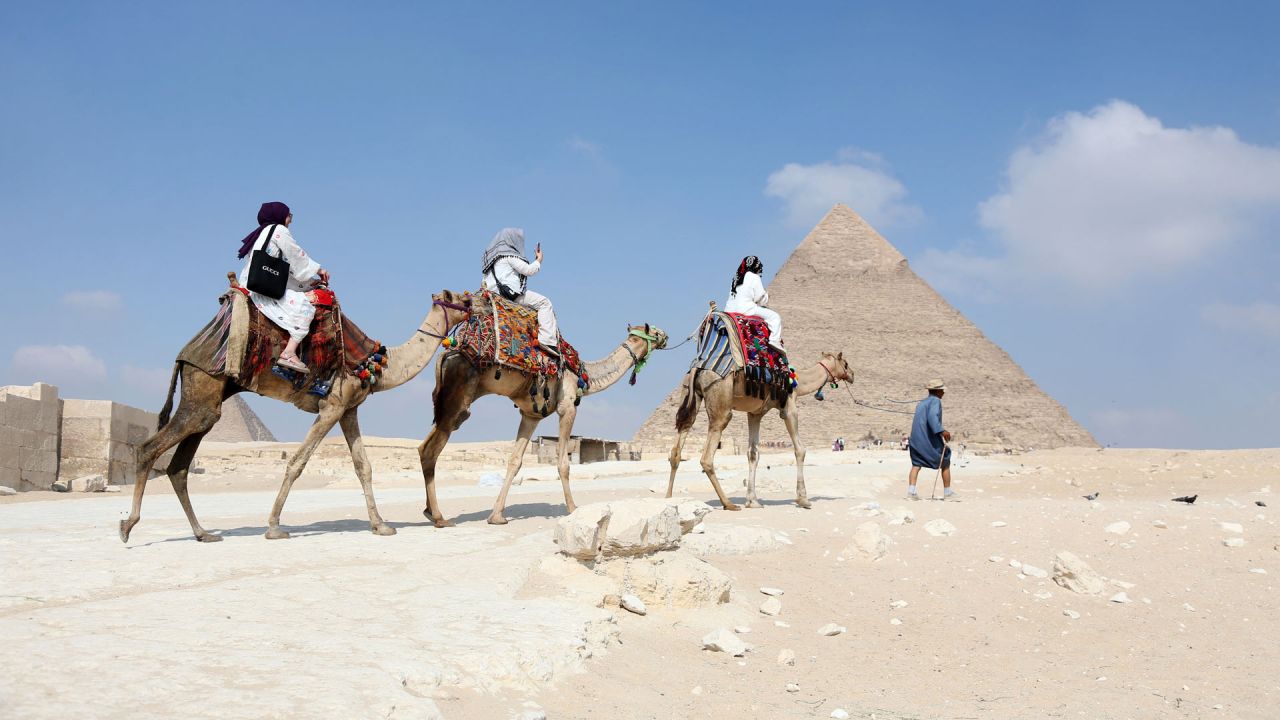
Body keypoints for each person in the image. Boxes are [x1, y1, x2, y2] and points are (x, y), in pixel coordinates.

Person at [237, 201, 328, 373]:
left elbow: (282, 268)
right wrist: (319, 270)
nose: (290, 220)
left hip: (254, 284)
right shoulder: (278, 230)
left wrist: (309, 283)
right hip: (262, 291)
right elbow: (296, 256)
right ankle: (289, 353)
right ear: (279, 216)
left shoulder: (262, 234)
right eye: (289, 216)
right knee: (305, 308)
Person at [481, 227, 559, 347]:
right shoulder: (509, 256)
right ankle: (547, 341)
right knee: (544, 303)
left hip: (493, 298)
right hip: (510, 296)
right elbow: (529, 270)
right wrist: (539, 259)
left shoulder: (490, 264)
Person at [907, 378, 955, 500]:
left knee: (916, 464)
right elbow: (932, 418)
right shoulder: (935, 401)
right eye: (942, 390)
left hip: (915, 440)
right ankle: (948, 493)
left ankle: (911, 492)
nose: (943, 392)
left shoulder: (922, 403)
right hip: (926, 439)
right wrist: (942, 431)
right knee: (946, 459)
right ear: (937, 391)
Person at [725, 255, 782, 349]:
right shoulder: (754, 277)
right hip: (745, 309)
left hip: (728, 311)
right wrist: (766, 296)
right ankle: (775, 341)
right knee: (775, 317)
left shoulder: (736, 278)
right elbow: (760, 298)